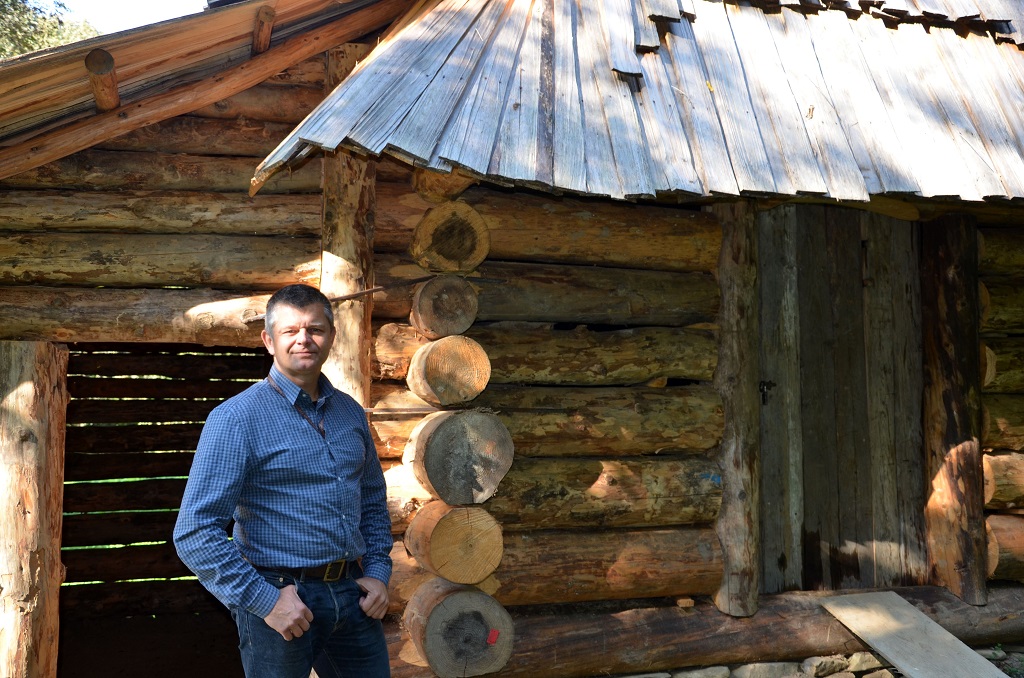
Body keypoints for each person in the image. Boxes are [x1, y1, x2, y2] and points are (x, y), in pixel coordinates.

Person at [173, 283, 392, 678]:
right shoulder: (236, 419)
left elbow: (373, 501)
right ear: (268, 341)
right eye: (290, 331)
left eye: (315, 329)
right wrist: (265, 600)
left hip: (353, 593)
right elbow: (194, 531)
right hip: (280, 595)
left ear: (331, 337)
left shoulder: (350, 414)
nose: (304, 339)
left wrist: (377, 571)